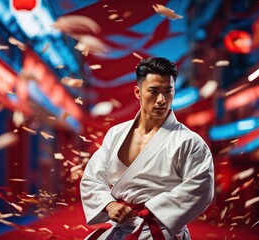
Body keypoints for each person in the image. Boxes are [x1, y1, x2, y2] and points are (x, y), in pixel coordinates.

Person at [80, 57, 214, 239]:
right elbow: (92, 178)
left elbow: (201, 188)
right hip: (120, 228)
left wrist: (152, 210)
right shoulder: (116, 133)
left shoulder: (189, 141)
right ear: (138, 92)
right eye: (154, 91)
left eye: (168, 91)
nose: (161, 100)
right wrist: (109, 205)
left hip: (162, 231)